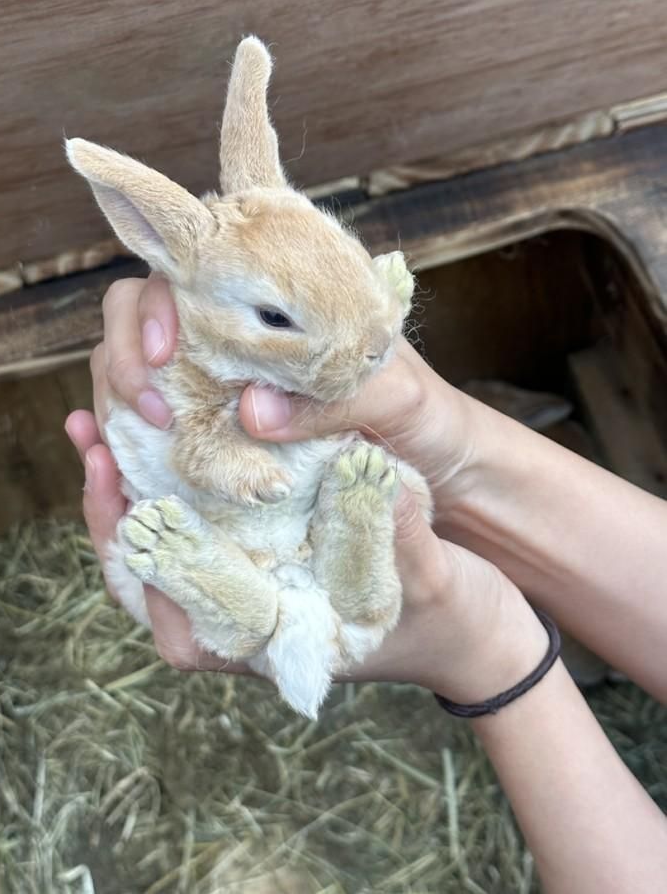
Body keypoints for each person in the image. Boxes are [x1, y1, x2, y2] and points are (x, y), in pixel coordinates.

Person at [65, 274, 667, 893]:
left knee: (324, 548)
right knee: (320, 530)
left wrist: (496, 656)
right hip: (269, 529)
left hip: (285, 542)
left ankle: (292, 565)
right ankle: (263, 575)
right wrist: (451, 436)